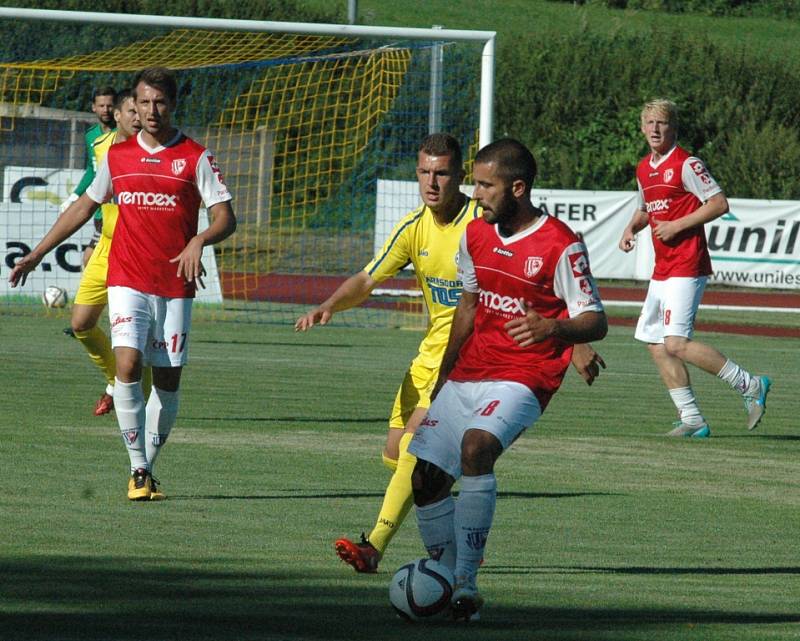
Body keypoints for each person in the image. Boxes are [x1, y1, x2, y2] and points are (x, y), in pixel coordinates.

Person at [296, 134, 605, 575]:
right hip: (435, 358)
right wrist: (329, 304)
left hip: (489, 363)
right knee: (400, 456)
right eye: (423, 172)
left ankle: (383, 548)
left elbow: (534, 293)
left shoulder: (487, 222)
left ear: (460, 177)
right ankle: (443, 545)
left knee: (423, 455)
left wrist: (570, 340)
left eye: (441, 173)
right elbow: (369, 279)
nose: (431, 182)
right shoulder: (416, 227)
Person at [9, 66, 237, 501]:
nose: (152, 110)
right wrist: (36, 254)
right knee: (129, 366)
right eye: (145, 102)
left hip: (174, 286)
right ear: (133, 105)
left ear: (172, 104)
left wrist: (200, 239)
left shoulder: (194, 156)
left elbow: (226, 216)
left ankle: (147, 466)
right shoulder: (117, 156)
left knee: (168, 382)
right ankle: (136, 470)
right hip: (127, 277)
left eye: (160, 102)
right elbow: (81, 208)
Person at [407, 138, 607, 621]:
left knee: (477, 448)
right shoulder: (475, 235)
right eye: (474, 183)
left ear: (517, 188)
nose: (475, 194)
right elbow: (469, 308)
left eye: (484, 185)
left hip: (526, 373)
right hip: (471, 368)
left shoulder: (560, 243)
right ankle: (449, 586)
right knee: (425, 479)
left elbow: (596, 320)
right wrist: (444, 373)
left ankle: (465, 583)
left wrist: (555, 329)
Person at [618, 99, 770, 437]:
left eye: (662, 123)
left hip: (688, 264)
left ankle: (751, 384)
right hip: (663, 268)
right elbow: (647, 209)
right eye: (650, 123)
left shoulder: (687, 164)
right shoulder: (644, 168)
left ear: (673, 128)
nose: (655, 129)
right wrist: (631, 228)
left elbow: (718, 203)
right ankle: (692, 418)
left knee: (675, 343)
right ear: (642, 128)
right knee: (654, 342)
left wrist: (678, 226)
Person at [69, 88, 152, 417]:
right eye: (130, 111)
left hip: (137, 251)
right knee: (81, 324)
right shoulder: (101, 147)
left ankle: (135, 397)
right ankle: (116, 383)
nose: (137, 117)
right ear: (116, 115)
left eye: (140, 110)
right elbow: (94, 193)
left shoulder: (149, 150)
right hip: (106, 243)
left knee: (132, 339)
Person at [59, 86, 117, 268]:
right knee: (92, 258)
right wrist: (74, 196)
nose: (106, 110)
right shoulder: (90, 135)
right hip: (99, 208)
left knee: (91, 258)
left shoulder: (125, 134)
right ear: (93, 107)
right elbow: (92, 171)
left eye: (109, 105)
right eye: (101, 105)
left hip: (118, 208)